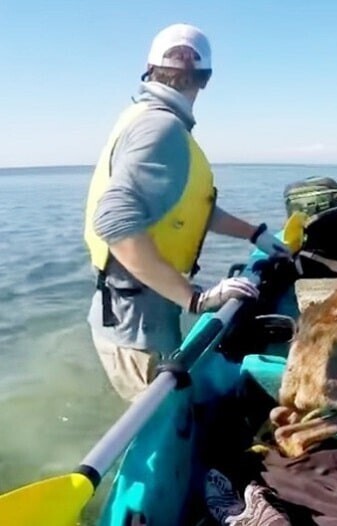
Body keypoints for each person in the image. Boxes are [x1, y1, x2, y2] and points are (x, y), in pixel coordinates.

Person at [83, 23, 291, 403]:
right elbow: (114, 221)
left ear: (149, 68)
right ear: (206, 78)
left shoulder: (150, 119)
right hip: (135, 324)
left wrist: (255, 233)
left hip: (139, 312)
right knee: (158, 420)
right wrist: (195, 298)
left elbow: (191, 210)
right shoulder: (160, 128)